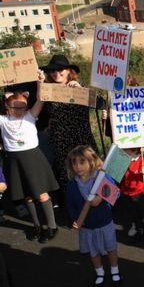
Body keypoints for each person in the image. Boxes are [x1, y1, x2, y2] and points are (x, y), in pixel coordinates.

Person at [0, 73, 60, 243]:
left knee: (41, 194)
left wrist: (40, 83)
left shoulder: (30, 115)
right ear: (7, 106)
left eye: (22, 106)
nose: (19, 110)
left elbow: (41, 99)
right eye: (15, 107)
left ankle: (52, 226)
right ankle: (36, 226)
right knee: (26, 196)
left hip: (32, 158)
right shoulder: (3, 120)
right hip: (13, 160)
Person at [41, 55, 100, 209]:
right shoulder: (49, 90)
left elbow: (101, 103)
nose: (56, 73)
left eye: (60, 70)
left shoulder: (79, 87)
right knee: (67, 176)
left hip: (81, 139)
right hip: (61, 141)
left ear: (69, 71)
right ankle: (75, 209)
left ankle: (98, 207)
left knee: (91, 173)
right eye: (52, 71)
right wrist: (50, 124)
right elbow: (46, 112)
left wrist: (81, 90)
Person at [65, 146, 121, 287]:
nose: (78, 167)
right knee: (93, 251)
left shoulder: (101, 178)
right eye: (74, 163)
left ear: (91, 162)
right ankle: (100, 272)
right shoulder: (72, 186)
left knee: (111, 248)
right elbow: (70, 205)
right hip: (87, 226)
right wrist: (74, 220)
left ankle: (114, 270)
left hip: (104, 222)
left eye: (82, 162)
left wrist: (101, 197)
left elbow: (116, 193)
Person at [119, 147, 144, 241]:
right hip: (128, 192)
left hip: (141, 192)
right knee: (134, 213)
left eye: (125, 149)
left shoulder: (143, 160)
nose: (122, 151)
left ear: (133, 150)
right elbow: (122, 177)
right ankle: (138, 228)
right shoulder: (124, 160)